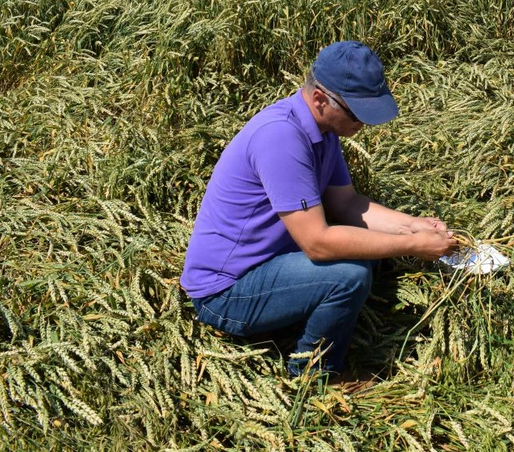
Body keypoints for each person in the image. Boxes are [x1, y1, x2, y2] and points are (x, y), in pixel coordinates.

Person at [180, 40, 456, 376]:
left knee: (363, 261)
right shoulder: (280, 138)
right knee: (350, 274)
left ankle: (292, 321)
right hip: (226, 291)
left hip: (268, 265)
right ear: (320, 99)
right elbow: (317, 242)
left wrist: (413, 225)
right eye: (356, 112)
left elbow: (347, 203)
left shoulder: (322, 131)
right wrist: (413, 246)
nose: (364, 124)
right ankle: (314, 375)